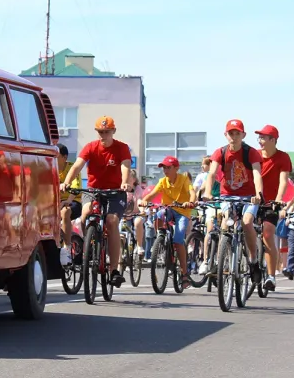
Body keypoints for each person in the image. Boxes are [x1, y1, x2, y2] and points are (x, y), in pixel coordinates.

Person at [61, 116, 132, 287]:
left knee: (111, 221)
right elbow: (77, 165)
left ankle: (114, 269)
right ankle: (91, 243)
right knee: (85, 214)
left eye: (106, 132)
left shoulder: (121, 148)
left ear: (113, 131)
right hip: (94, 190)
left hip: (115, 191)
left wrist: (124, 181)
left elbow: (125, 165)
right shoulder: (91, 147)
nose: (103, 135)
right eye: (100, 132)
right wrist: (67, 182)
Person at [202, 119, 264, 284]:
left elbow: (257, 174)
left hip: (249, 196)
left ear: (243, 135)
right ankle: (221, 261)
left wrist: (258, 194)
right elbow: (212, 174)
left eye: (237, 133)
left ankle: (252, 260)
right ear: (225, 135)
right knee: (224, 222)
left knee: (247, 221)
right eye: (231, 133)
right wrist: (208, 192)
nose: (234, 137)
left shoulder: (251, 152)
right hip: (227, 195)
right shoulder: (220, 152)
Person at [138, 156, 196, 289]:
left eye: (168, 167)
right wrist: (145, 200)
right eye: (163, 167)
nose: (165, 170)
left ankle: (184, 273)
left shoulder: (184, 179)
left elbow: (192, 192)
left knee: (178, 239)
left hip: (183, 211)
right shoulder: (162, 181)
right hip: (168, 209)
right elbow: (152, 194)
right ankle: (162, 239)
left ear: (176, 168)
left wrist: (191, 202)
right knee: (158, 214)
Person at [255, 124, 292, 290]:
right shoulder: (254, 155)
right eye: (260, 137)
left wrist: (278, 199)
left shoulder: (283, 157)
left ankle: (270, 276)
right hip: (253, 200)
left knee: (268, 232)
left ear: (273, 140)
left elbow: (283, 181)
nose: (260, 141)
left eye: (264, 137)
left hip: (271, 202)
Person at [195, 156, 222, 275]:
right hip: (212, 204)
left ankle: (221, 257)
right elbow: (202, 188)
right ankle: (205, 261)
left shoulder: (224, 173)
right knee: (209, 230)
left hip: (223, 203)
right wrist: (200, 196)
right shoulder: (209, 175)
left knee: (225, 229)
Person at [57, 143, 82, 265]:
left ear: (64, 157)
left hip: (73, 202)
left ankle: (66, 248)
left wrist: (68, 201)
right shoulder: (50, 169)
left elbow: (75, 189)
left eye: (56, 156)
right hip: (55, 203)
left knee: (65, 211)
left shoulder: (72, 168)